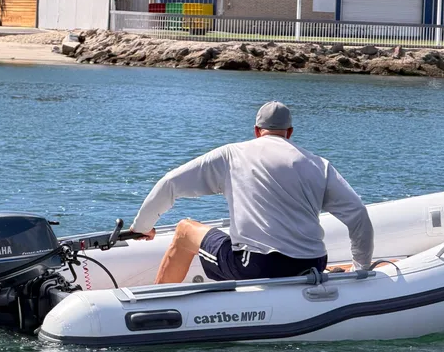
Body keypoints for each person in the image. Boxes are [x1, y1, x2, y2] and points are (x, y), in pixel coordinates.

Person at [129, 101, 374, 284]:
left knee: (184, 230)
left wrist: (142, 227)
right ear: (289, 133)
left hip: (258, 266)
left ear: (257, 130)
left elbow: (170, 183)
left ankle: (157, 303)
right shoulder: (319, 164)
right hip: (313, 263)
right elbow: (358, 215)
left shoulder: (231, 155)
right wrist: (361, 268)